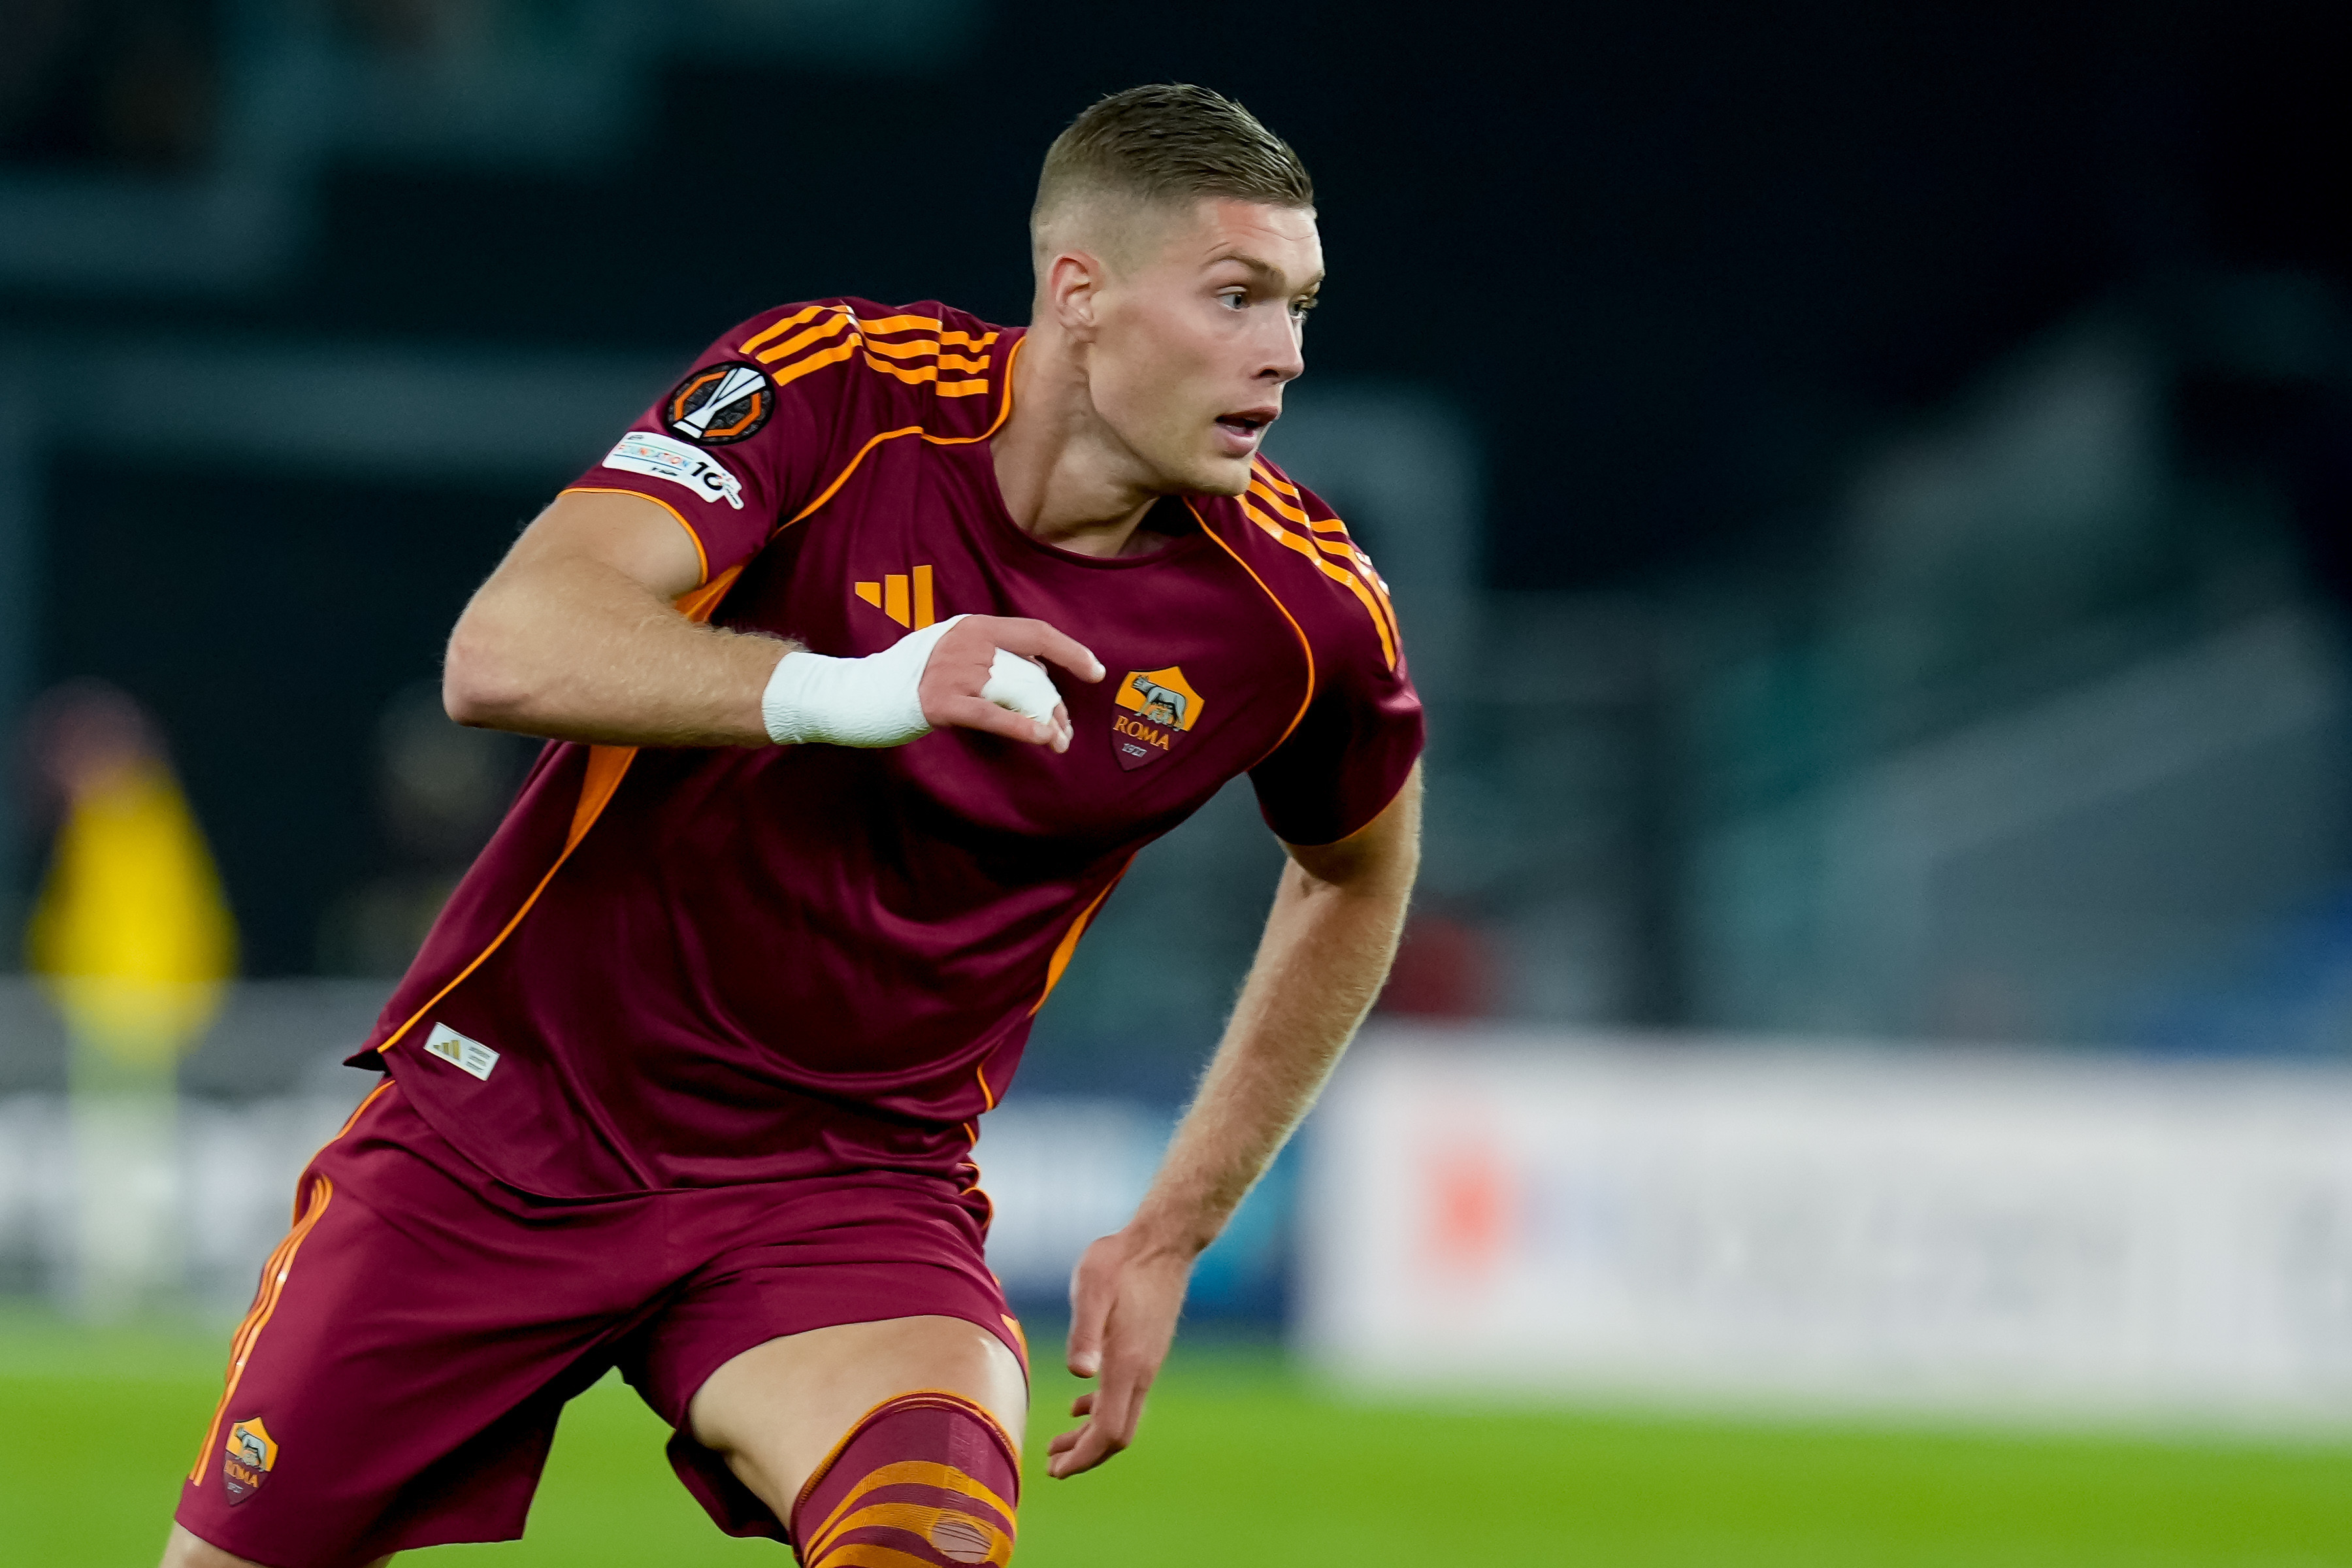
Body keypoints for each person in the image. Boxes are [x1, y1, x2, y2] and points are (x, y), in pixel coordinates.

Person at [163, 82, 1422, 1568]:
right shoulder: (839, 388)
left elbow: (1355, 875)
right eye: (1236, 296)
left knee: (925, 1538)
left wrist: (1173, 1229)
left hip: (849, 1192)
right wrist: (858, 690)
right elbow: (504, 651)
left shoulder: (1300, 613)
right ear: (1081, 294)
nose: (1284, 354)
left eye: (1299, 306)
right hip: (508, 1129)